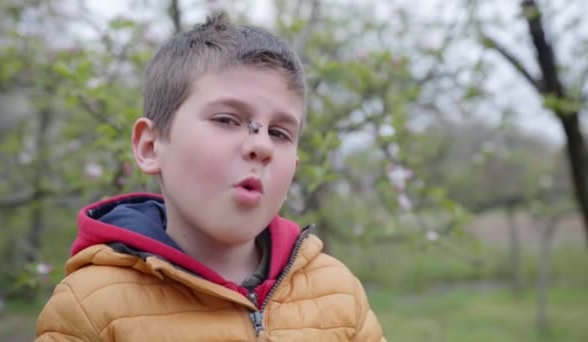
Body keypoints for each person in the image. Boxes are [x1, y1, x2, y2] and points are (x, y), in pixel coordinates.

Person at [36, 13, 385, 341]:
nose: (261, 145)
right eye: (227, 120)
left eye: (279, 133)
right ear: (150, 146)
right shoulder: (88, 309)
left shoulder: (338, 291)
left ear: (293, 166)